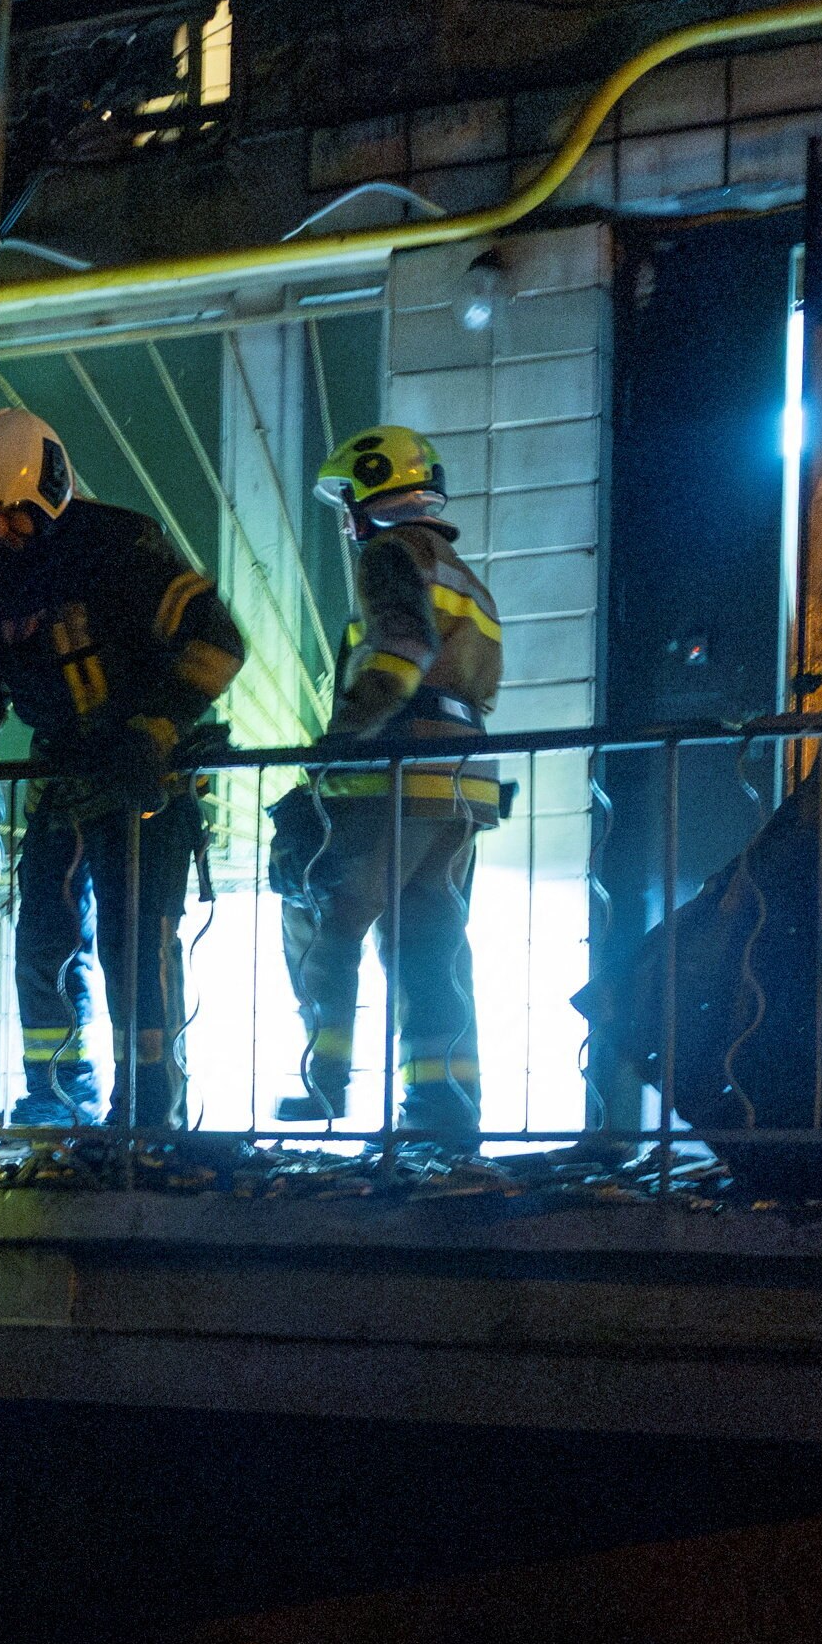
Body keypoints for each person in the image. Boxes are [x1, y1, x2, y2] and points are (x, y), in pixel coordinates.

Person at [0, 408, 248, 1130]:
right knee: (43, 946)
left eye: (15, 514)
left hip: (142, 786)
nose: (3, 530)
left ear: (50, 487)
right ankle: (55, 1100)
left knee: (135, 948)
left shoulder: (122, 545)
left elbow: (217, 640)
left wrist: (153, 731)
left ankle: (148, 1113)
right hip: (62, 787)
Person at [272, 422, 507, 1150]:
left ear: (371, 490)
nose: (346, 516)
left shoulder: (389, 553)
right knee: (430, 937)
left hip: (401, 771)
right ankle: (442, 1110)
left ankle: (324, 1081)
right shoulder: (463, 572)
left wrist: (339, 743)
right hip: (464, 781)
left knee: (334, 915)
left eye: (348, 496)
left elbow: (402, 649)